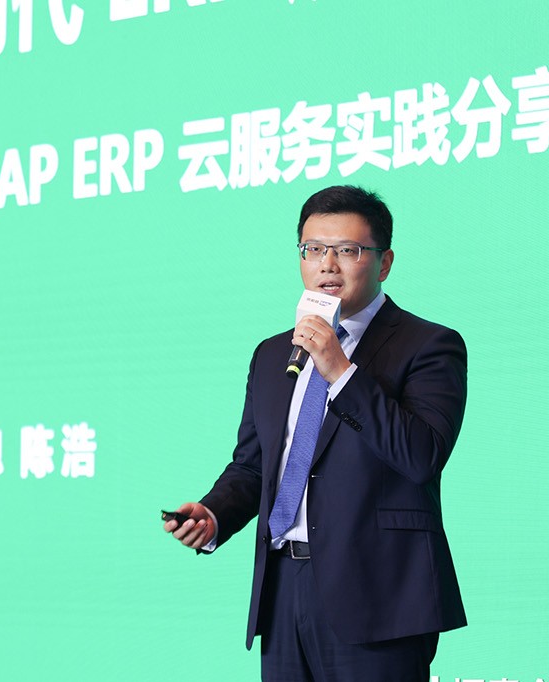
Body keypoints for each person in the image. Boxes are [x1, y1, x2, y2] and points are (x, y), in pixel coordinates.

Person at [165, 185, 467, 681]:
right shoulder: (272, 354)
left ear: (384, 263)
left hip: (378, 595)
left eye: (348, 250)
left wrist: (341, 371)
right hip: (283, 588)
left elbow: (421, 455)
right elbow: (255, 465)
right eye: (313, 249)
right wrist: (213, 515)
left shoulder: (430, 345)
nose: (328, 265)